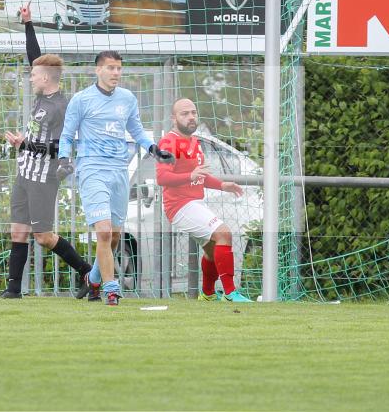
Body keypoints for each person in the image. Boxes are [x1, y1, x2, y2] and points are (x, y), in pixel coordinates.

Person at [56, 50, 174, 306]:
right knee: (104, 232)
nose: (116, 73)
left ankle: (93, 279)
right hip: (92, 170)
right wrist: (64, 159)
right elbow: (66, 136)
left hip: (119, 172)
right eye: (110, 68)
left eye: (119, 68)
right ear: (98, 70)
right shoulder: (81, 100)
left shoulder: (127, 99)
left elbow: (137, 130)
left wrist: (153, 149)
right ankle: (111, 289)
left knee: (115, 236)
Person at [0, 4, 93, 299]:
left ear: (46, 78)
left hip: (43, 179)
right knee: (18, 231)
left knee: (43, 237)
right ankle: (13, 290)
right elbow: (35, 57)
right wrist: (28, 24)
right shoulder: (43, 91)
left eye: (33, 74)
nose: (30, 77)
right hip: (24, 174)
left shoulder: (61, 107)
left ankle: (89, 274)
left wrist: (24, 144)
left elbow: (59, 147)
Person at [156, 98, 253, 302]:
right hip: (179, 206)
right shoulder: (168, 143)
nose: (191, 117)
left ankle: (207, 294)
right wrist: (190, 176)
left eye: (193, 112)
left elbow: (199, 174)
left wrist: (222, 185)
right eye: (184, 113)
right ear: (173, 118)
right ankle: (230, 293)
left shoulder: (194, 141)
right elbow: (162, 177)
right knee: (224, 233)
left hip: (194, 202)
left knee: (211, 249)